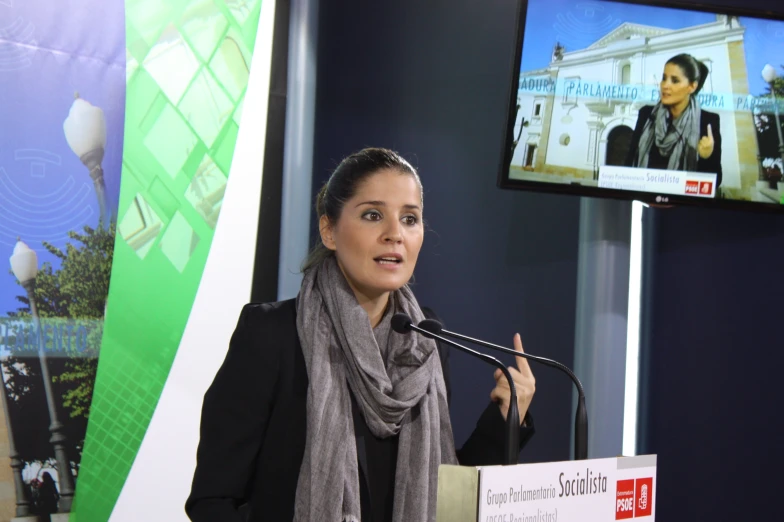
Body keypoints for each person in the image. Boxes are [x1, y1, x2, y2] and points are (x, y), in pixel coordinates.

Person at [185, 148, 536, 522]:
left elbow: (442, 498)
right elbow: (214, 500)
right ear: (329, 231)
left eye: (409, 219)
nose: (394, 234)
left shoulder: (424, 342)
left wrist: (505, 417)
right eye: (373, 215)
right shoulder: (272, 335)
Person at [625, 53, 723, 189]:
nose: (665, 85)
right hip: (644, 197)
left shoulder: (708, 121)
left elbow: (715, 182)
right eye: (664, 78)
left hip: (684, 206)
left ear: (692, 87)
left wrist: (706, 157)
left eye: (675, 80)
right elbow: (628, 165)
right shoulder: (646, 114)